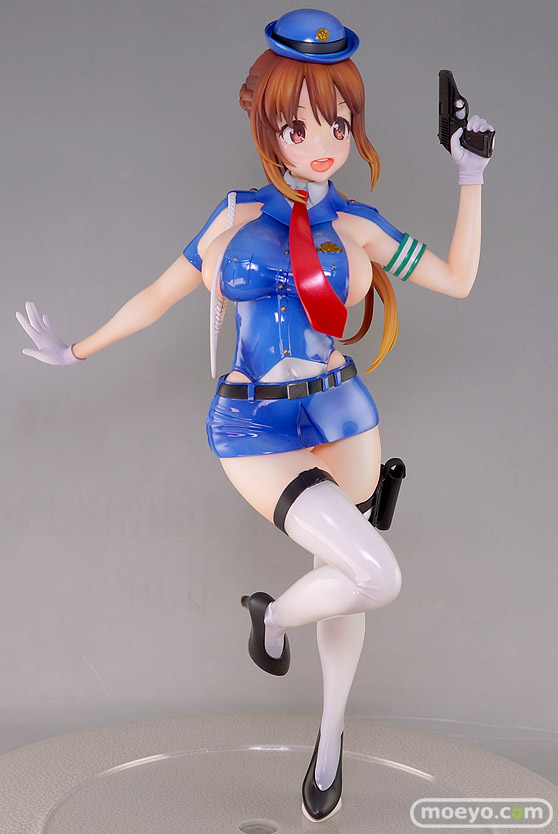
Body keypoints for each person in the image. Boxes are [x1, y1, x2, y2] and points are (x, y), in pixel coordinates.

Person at [17, 9, 494, 823]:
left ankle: (330, 736)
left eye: (338, 122)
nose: (323, 142)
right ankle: (271, 615)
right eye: (300, 124)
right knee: (375, 575)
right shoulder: (235, 215)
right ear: (268, 125)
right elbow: (160, 295)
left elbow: (457, 279)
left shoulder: (359, 226)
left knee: (347, 577)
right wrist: (78, 350)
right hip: (254, 423)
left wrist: (471, 175)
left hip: (343, 414)